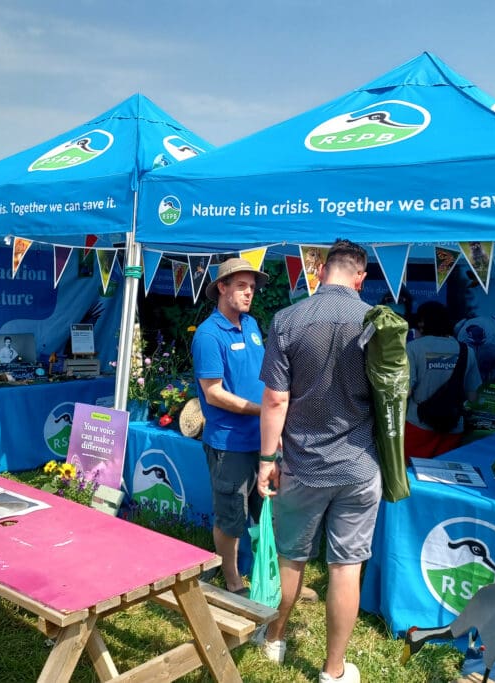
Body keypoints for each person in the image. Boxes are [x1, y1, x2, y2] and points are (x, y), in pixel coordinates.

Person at [256, 239, 380, 683]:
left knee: (291, 558)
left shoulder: (287, 320)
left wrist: (266, 459)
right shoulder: (374, 324)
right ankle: (333, 670)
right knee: (346, 566)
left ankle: (273, 639)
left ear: (322, 269)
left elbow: (274, 400)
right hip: (359, 465)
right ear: (360, 277)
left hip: (303, 464)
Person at [191, 257, 269, 596]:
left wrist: (273, 411)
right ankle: (233, 581)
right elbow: (213, 393)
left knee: (266, 515)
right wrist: (260, 410)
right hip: (229, 443)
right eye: (241, 285)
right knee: (231, 518)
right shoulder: (209, 335)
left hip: (261, 439)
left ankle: (270, 578)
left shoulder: (251, 325)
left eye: (251, 287)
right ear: (221, 288)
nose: (249, 292)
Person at [405, 301, 483, 459]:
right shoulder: (466, 351)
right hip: (452, 428)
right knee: (441, 478)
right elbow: (473, 396)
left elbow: (406, 391)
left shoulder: (413, 348)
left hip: (418, 426)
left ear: (422, 323)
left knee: (412, 477)